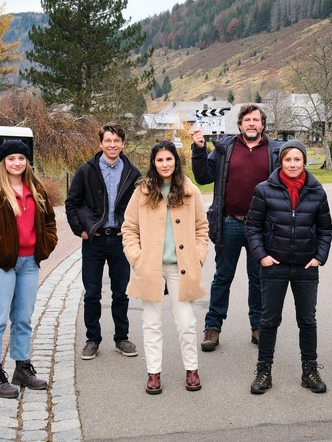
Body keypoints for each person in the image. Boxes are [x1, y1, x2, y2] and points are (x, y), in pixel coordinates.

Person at [0, 140, 58, 398]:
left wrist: (46, 244)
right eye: (11, 158)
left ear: (27, 161)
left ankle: (22, 368)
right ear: (3, 162)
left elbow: (50, 220)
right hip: (1, 264)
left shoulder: (35, 188)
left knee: (23, 319)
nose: (16, 162)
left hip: (29, 264)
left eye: (21, 158)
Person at [191, 104, 283, 352]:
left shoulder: (275, 151)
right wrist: (199, 150)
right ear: (240, 124)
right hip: (229, 221)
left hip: (260, 226)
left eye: (256, 120)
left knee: (258, 278)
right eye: (247, 120)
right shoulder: (225, 148)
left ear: (263, 124)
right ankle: (213, 327)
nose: (251, 123)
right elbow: (203, 177)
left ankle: (258, 327)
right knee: (222, 277)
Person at [245, 140, 332, 394]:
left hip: (306, 267)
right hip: (274, 266)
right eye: (288, 160)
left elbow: (326, 229)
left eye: (297, 159)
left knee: (307, 321)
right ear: (280, 162)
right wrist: (262, 256)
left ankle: (310, 370)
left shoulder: (317, 191)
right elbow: (252, 227)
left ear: (304, 161)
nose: (292, 164)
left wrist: (319, 257)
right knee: (269, 321)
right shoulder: (264, 190)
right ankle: (264, 371)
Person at [122, 140, 209, 395]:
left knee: (186, 322)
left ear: (176, 161)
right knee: (151, 323)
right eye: (159, 160)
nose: (164, 164)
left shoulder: (190, 191)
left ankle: (192, 369)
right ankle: (153, 373)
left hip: (181, 267)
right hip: (150, 267)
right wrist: (136, 258)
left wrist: (198, 256)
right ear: (153, 163)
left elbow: (202, 228)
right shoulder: (143, 192)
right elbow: (129, 228)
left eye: (169, 159)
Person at [65, 122, 141, 360]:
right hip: (94, 240)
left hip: (120, 240)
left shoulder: (132, 172)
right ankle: (92, 340)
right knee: (92, 293)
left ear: (123, 144)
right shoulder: (86, 170)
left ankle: (122, 338)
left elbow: (141, 207)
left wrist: (132, 232)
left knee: (121, 292)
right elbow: (71, 204)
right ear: (101, 143)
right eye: (108, 140)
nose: (112, 145)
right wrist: (82, 231)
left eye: (117, 141)